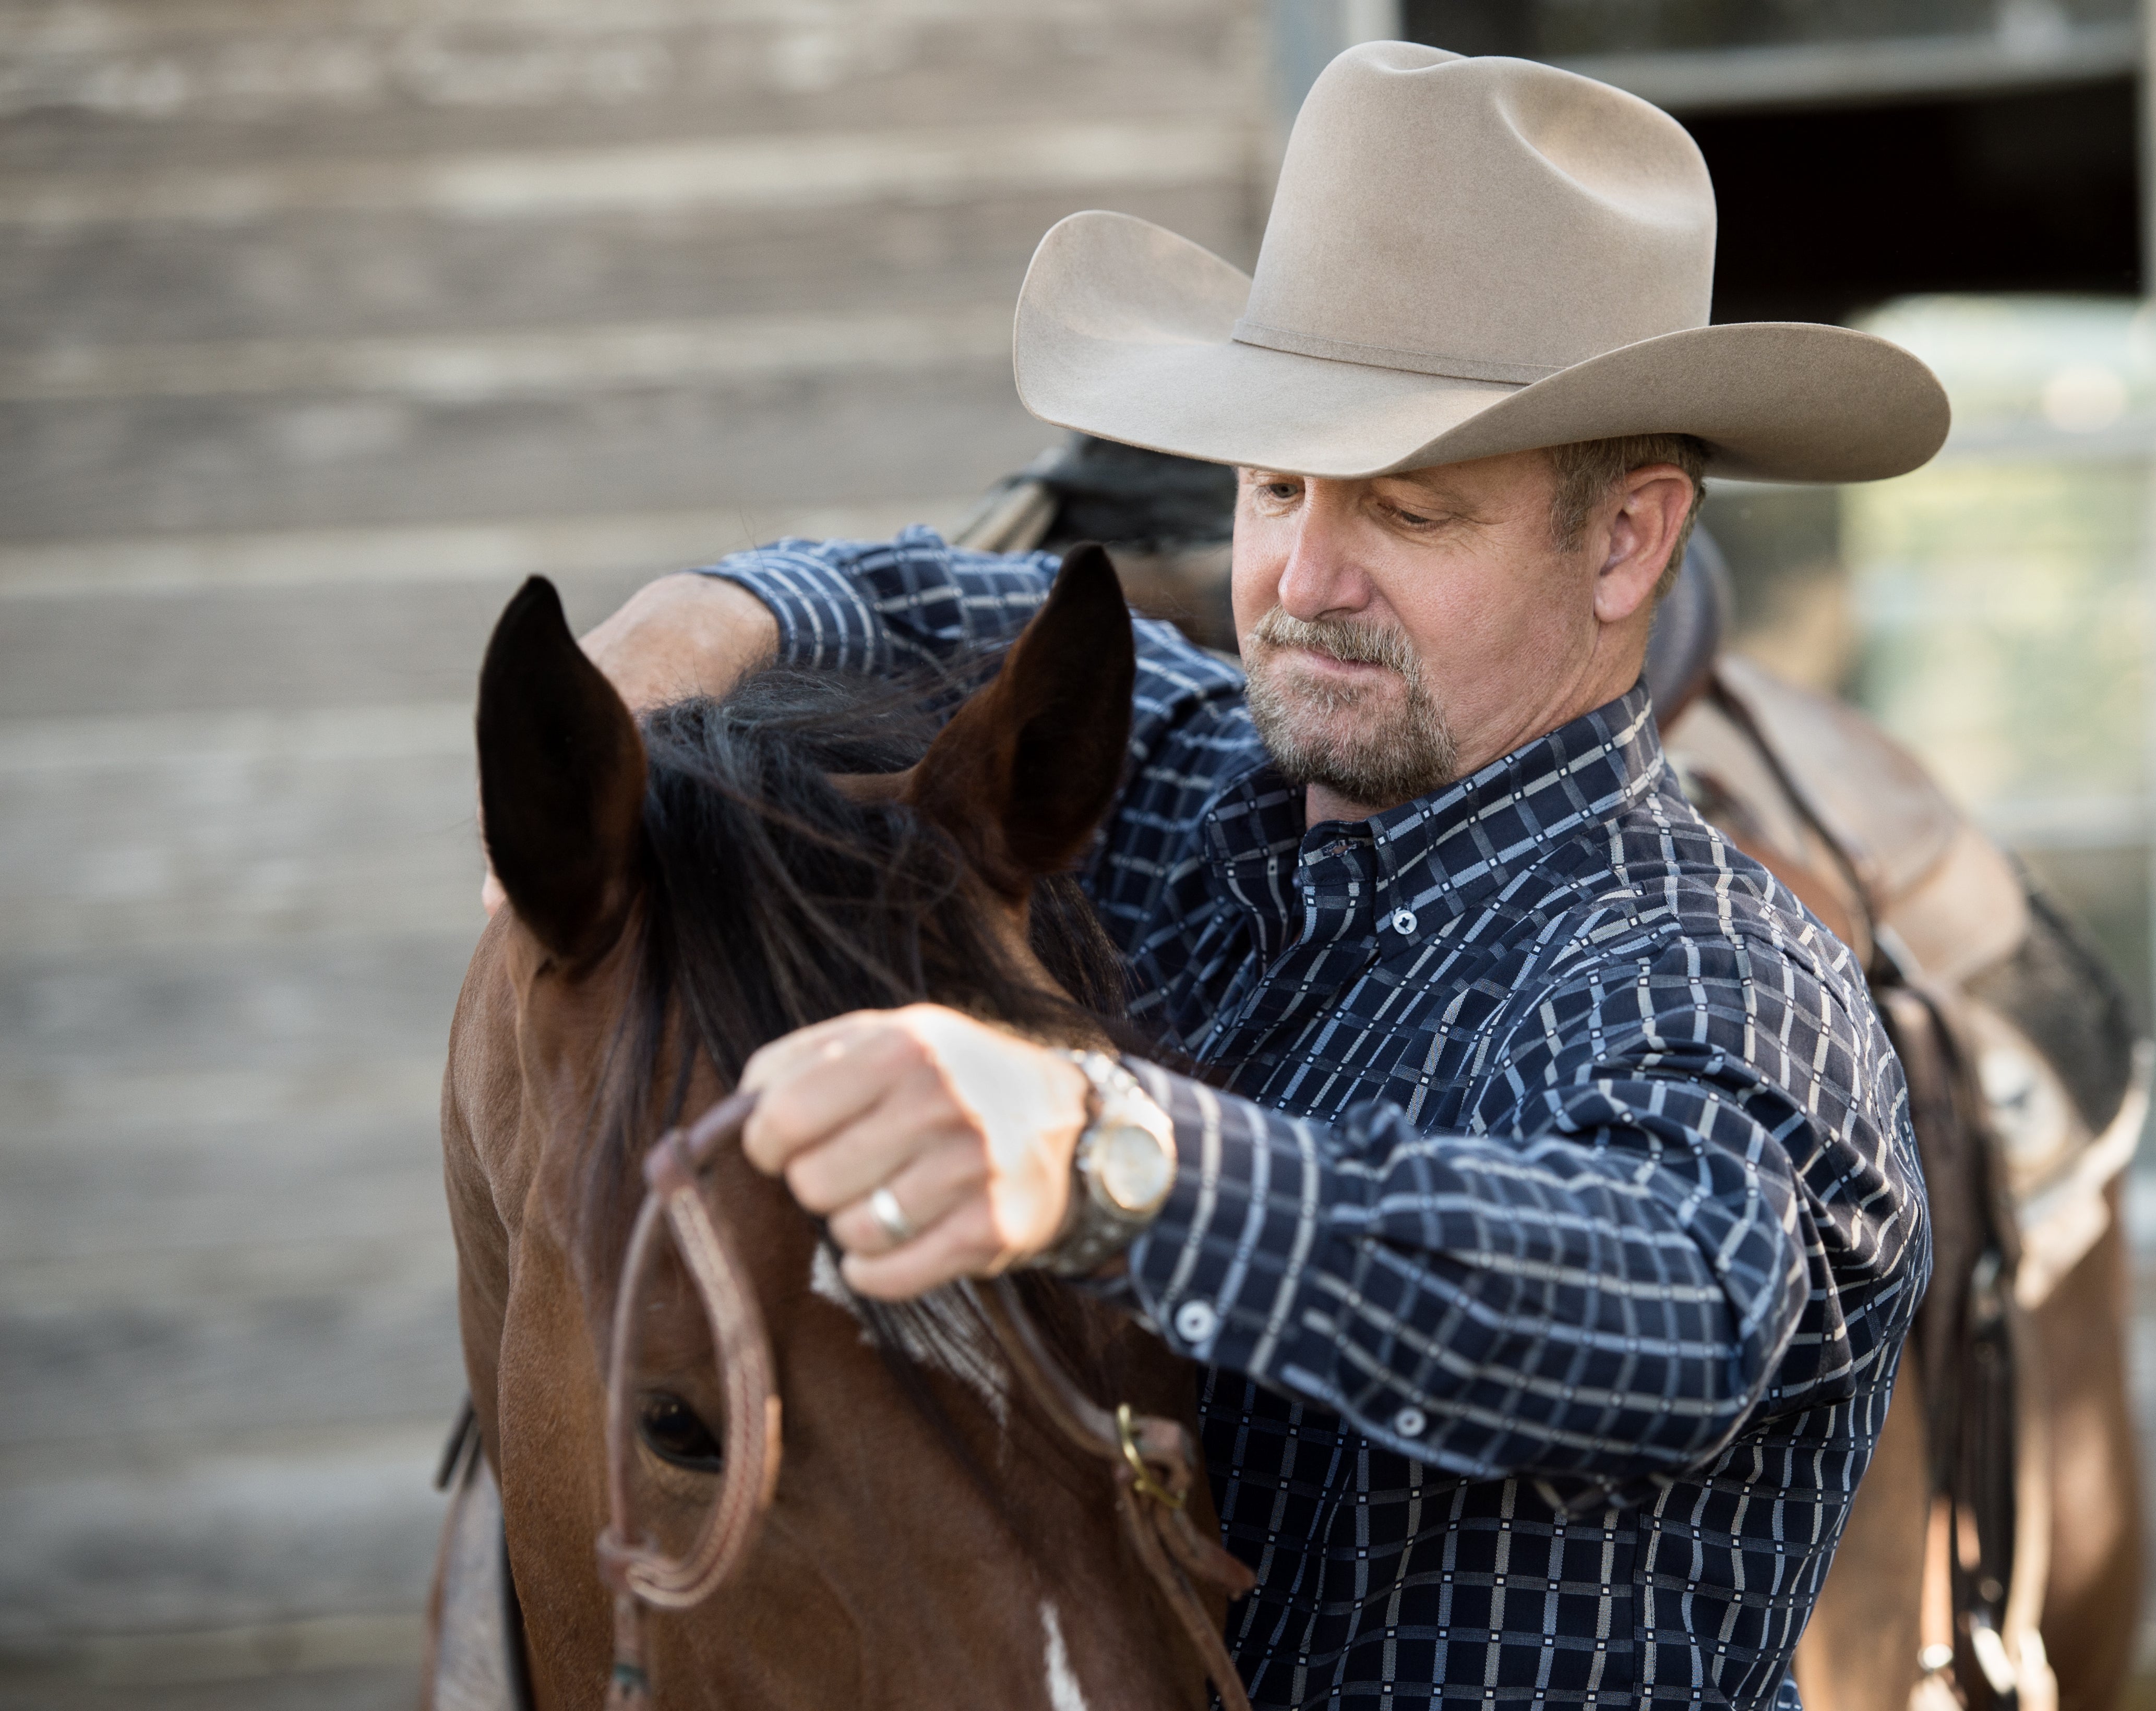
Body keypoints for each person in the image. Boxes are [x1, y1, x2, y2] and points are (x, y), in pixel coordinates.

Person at [549, 42, 1946, 1710]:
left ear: (1626, 539)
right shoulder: (1199, 787)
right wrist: (726, 611)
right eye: (1277, 485)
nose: (1300, 579)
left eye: (1407, 511)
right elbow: (942, 610)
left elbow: (1676, 1297)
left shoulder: (1716, 976)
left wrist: (1112, 1163)